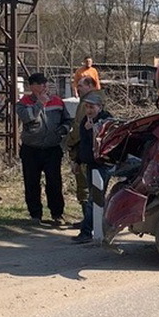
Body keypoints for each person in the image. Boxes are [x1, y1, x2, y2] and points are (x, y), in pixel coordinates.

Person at [16, 72, 72, 226]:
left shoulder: (58, 101)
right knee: (32, 182)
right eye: (40, 84)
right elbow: (28, 118)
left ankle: (57, 213)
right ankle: (35, 214)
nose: (44, 87)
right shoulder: (23, 103)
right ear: (31, 86)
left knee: (54, 182)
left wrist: (62, 130)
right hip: (31, 149)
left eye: (46, 84)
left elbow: (67, 120)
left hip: (52, 149)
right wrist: (39, 103)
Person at [71, 91, 114, 243]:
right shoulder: (86, 120)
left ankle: (87, 231)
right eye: (87, 107)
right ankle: (96, 228)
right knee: (94, 198)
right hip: (90, 164)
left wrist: (92, 131)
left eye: (92, 107)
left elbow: (102, 144)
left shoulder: (106, 121)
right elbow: (83, 144)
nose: (89, 110)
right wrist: (77, 161)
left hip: (102, 165)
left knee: (94, 199)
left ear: (100, 107)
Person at [65, 75, 98, 228]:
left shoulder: (88, 102)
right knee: (91, 187)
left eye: (81, 86)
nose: (78, 89)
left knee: (85, 187)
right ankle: (90, 221)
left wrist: (68, 142)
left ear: (90, 85)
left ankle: (89, 222)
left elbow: (79, 127)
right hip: (91, 150)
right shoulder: (95, 99)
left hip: (86, 150)